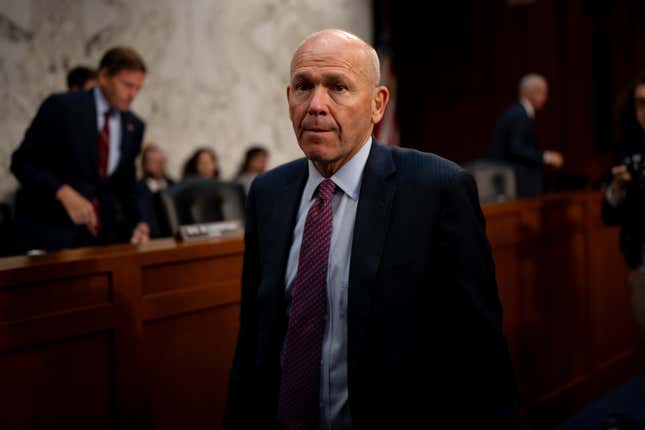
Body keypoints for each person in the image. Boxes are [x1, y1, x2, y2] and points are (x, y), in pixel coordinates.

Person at [224, 29, 518, 429]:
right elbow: (254, 342)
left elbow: (478, 349)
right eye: (303, 87)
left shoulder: (436, 189)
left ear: (378, 104)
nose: (316, 105)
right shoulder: (267, 193)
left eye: (338, 87)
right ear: (287, 97)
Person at [11, 46, 149, 252]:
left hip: (101, 239)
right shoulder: (64, 107)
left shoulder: (134, 125)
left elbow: (126, 182)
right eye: (127, 85)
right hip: (52, 234)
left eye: (138, 88)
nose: (132, 95)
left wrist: (140, 222)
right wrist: (62, 192)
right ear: (103, 76)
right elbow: (22, 163)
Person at [603, 73, 645, 340]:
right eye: (641, 102)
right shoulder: (625, 148)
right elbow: (608, 214)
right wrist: (617, 188)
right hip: (640, 257)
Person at [489, 73, 564, 197]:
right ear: (531, 92)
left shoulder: (517, 111)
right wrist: (546, 157)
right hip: (516, 181)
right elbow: (516, 148)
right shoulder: (520, 114)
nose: (545, 97)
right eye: (542, 92)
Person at [136, 144, 175, 238]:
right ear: (145, 165)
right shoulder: (138, 190)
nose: (159, 165)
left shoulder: (174, 186)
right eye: (154, 161)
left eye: (161, 161)